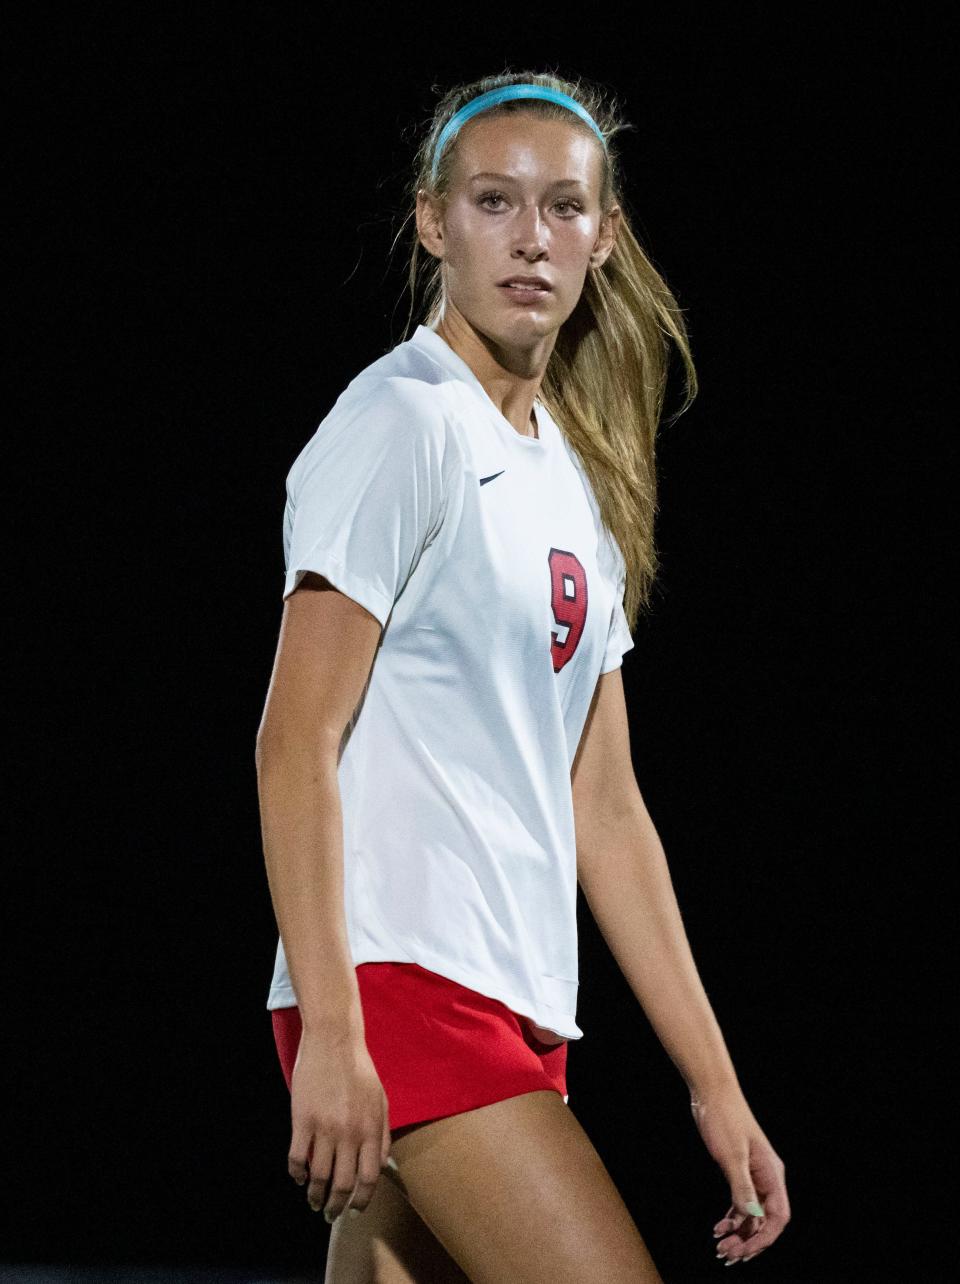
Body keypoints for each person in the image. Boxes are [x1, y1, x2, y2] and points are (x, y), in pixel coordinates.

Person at [256, 69, 791, 1284]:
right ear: (434, 222)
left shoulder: (572, 483)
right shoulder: (404, 422)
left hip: (514, 996)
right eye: (496, 203)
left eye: (563, 208)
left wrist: (715, 1086)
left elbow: (604, 808)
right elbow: (295, 746)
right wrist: (336, 1031)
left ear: (604, 238)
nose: (531, 238)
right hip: (399, 984)